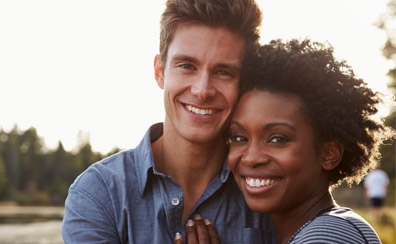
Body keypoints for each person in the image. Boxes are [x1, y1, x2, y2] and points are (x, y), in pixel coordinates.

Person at [62, 0, 276, 243]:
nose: (202, 90)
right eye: (187, 66)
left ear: (244, 83)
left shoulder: (267, 188)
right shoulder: (99, 193)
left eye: (224, 72)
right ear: (160, 71)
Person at [176, 39, 395, 244]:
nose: (251, 157)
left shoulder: (328, 236)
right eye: (239, 137)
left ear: (329, 153)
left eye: (277, 139)